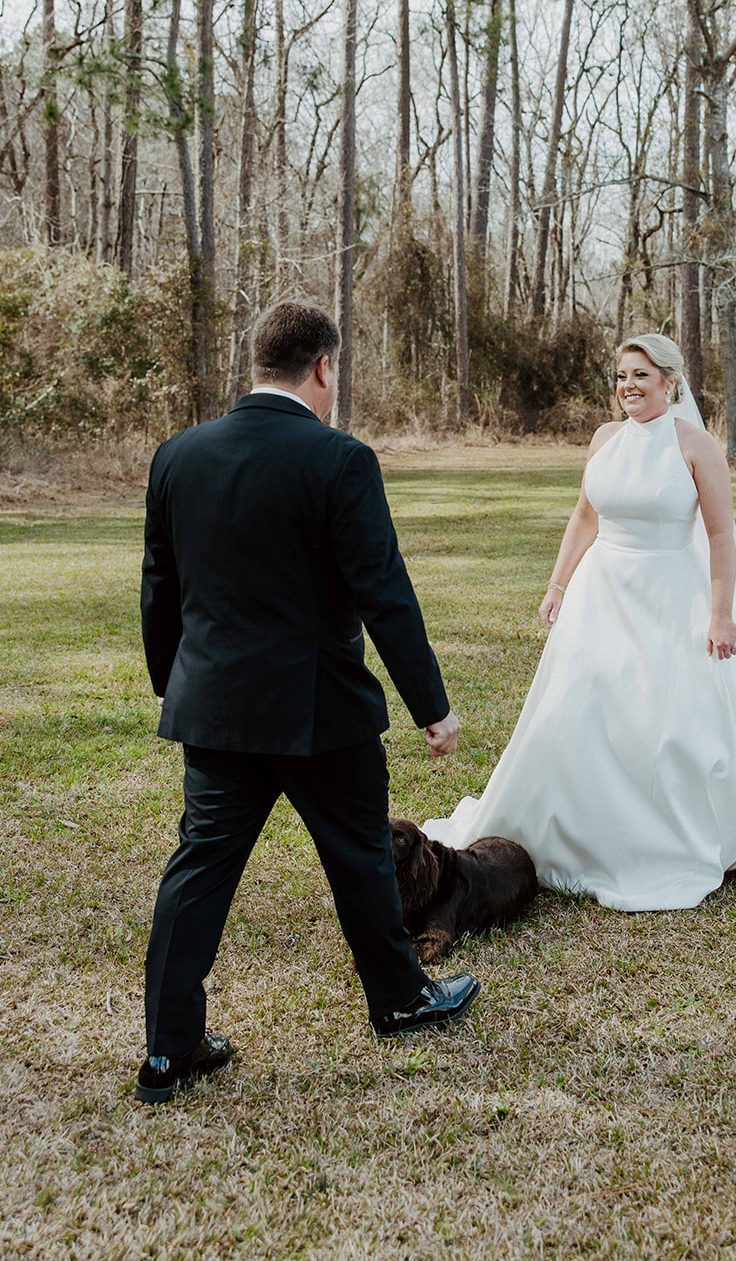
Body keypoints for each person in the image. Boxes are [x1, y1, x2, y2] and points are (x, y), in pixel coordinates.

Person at [136, 301, 479, 1104]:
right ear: (323, 367)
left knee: (199, 868)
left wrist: (176, 685)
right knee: (359, 853)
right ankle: (398, 999)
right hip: (319, 711)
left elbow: (161, 586)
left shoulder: (176, 455)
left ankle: (168, 1049)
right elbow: (384, 595)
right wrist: (432, 704)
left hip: (215, 708)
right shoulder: (339, 460)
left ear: (258, 362)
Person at [424, 333, 736, 911]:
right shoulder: (605, 439)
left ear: (671, 382)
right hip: (601, 594)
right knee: (580, 708)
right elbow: (583, 518)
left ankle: (663, 836)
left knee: (666, 722)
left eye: (642, 376)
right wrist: (557, 585)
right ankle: (573, 826)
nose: (628, 386)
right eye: (622, 375)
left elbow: (722, 535)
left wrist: (721, 614)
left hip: (669, 595)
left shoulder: (697, 447)